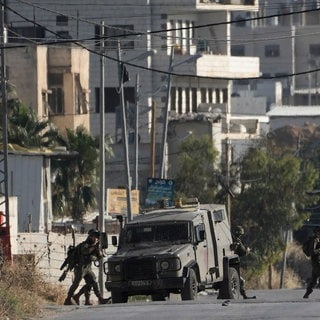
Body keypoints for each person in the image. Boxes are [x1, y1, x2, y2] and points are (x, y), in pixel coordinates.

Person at [64, 229, 109, 305]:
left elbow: (98, 257)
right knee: (76, 283)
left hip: (87, 267)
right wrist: (95, 247)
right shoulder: (85, 245)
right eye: (94, 237)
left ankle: (97, 299)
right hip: (80, 268)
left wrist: (99, 251)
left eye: (96, 238)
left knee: (92, 282)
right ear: (90, 236)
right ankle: (68, 299)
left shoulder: (94, 245)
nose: (95, 239)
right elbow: (85, 251)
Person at [231, 225, 255, 299]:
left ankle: (243, 295)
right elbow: (242, 252)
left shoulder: (231, 239)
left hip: (231, 264)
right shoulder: (237, 241)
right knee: (241, 281)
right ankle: (244, 296)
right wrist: (247, 250)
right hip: (233, 264)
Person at [303, 226, 320, 299]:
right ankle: (307, 293)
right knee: (314, 280)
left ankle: (307, 294)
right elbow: (312, 252)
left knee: (314, 280)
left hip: (316, 263)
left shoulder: (317, 240)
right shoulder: (314, 241)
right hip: (317, 262)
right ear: (316, 233)